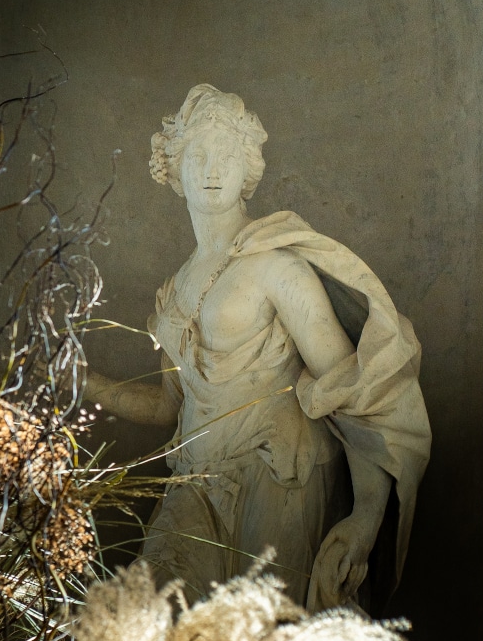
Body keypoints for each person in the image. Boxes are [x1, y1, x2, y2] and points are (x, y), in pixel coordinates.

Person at [85, 83, 431, 613]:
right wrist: (84, 382)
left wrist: (365, 516)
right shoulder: (173, 291)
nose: (213, 169)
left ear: (247, 166)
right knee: (155, 624)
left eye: (227, 154)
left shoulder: (277, 268)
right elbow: (168, 407)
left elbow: (353, 393)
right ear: (174, 169)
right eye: (199, 155)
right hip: (195, 481)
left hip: (275, 478)